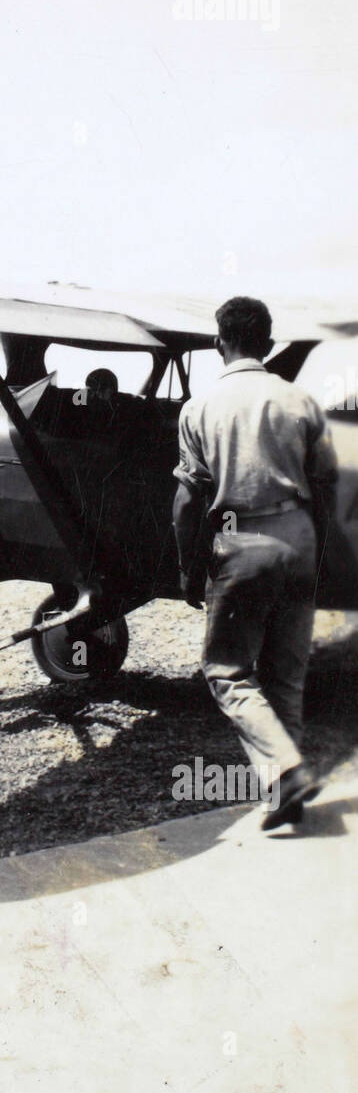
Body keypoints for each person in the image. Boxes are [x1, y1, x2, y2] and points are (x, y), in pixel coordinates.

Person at [172, 296, 338, 830]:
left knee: (227, 671)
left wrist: (185, 564)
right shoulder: (300, 402)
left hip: (241, 539)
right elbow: (325, 484)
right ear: (267, 343)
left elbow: (186, 503)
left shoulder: (199, 408)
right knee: (286, 675)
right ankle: (285, 791)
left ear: (220, 342)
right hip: (299, 533)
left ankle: (284, 770)